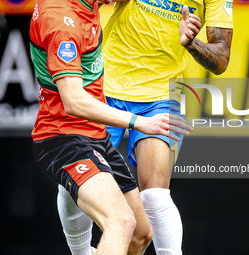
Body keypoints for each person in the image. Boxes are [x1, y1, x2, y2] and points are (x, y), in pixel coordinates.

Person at [57, 0, 233, 254]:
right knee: (72, 178)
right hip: (108, 83)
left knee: (155, 196)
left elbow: (221, 60)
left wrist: (191, 43)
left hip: (161, 94)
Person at [29, 0, 192, 254]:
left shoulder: (87, 3)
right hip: (64, 138)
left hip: (94, 136)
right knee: (121, 222)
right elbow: (72, 100)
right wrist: (140, 122)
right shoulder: (62, 23)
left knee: (140, 234)